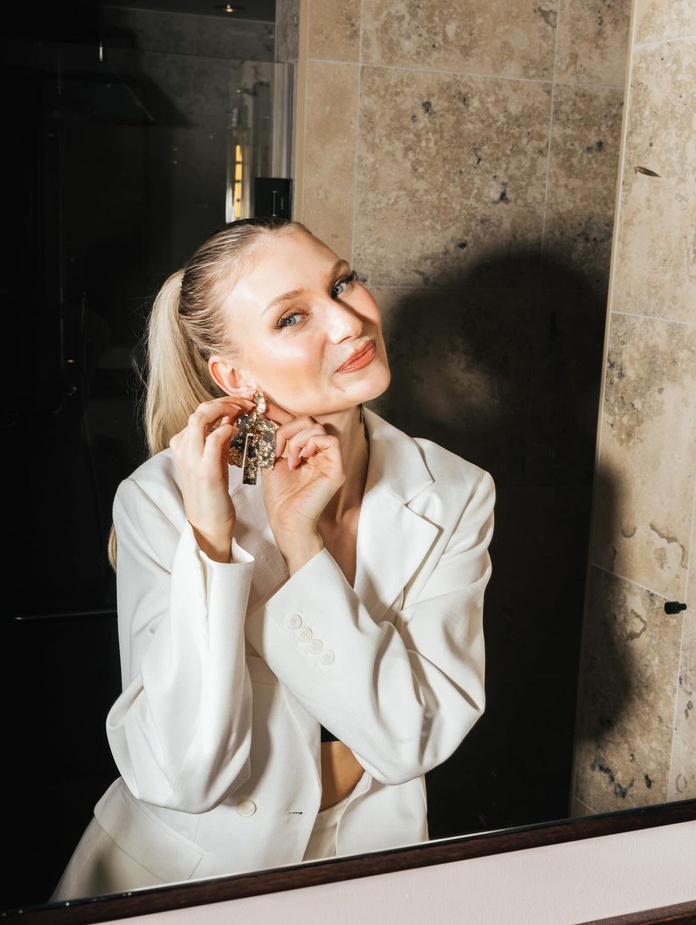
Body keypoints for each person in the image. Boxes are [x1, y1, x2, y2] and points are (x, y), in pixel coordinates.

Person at [51, 216, 496, 900]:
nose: (350, 322)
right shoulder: (163, 500)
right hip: (183, 878)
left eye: (342, 283)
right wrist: (211, 539)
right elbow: (181, 775)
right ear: (232, 375)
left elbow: (409, 743)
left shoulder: (456, 491)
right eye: (292, 317)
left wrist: (301, 542)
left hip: (372, 867)